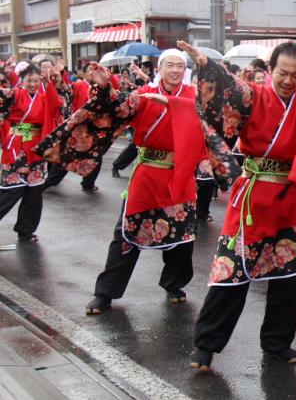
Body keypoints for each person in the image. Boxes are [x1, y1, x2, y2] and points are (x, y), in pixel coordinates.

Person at [185, 41, 296, 371]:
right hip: (253, 196)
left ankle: (277, 342)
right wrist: (207, 67)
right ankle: (206, 345)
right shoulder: (254, 96)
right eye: (282, 73)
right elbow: (227, 93)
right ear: (269, 70)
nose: (289, 81)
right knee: (231, 271)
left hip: (291, 198)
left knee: (290, 277)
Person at [36, 49, 225, 314]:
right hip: (147, 173)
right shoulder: (144, 94)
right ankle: (105, 293)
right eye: (169, 65)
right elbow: (118, 105)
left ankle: (174, 284)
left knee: (182, 237)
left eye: (180, 66)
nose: (175, 70)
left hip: (180, 175)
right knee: (126, 234)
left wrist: (172, 104)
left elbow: (211, 118)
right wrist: (105, 88)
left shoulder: (193, 97)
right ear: (159, 69)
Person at [0, 62, 68, 241]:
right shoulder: (15, 94)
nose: (33, 84)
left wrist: (49, 83)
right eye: (29, 81)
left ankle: (25, 230)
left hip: (37, 147)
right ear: (22, 80)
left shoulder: (44, 97)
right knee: (12, 190)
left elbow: (57, 106)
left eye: (36, 81)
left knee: (35, 191)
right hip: (17, 145)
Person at [43, 62, 103, 192]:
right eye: (90, 70)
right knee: (67, 157)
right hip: (79, 127)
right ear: (84, 73)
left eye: (95, 70)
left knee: (96, 156)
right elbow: (64, 91)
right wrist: (59, 75)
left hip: (93, 128)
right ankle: (47, 183)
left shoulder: (100, 88)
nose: (92, 73)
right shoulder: (79, 85)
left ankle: (88, 183)